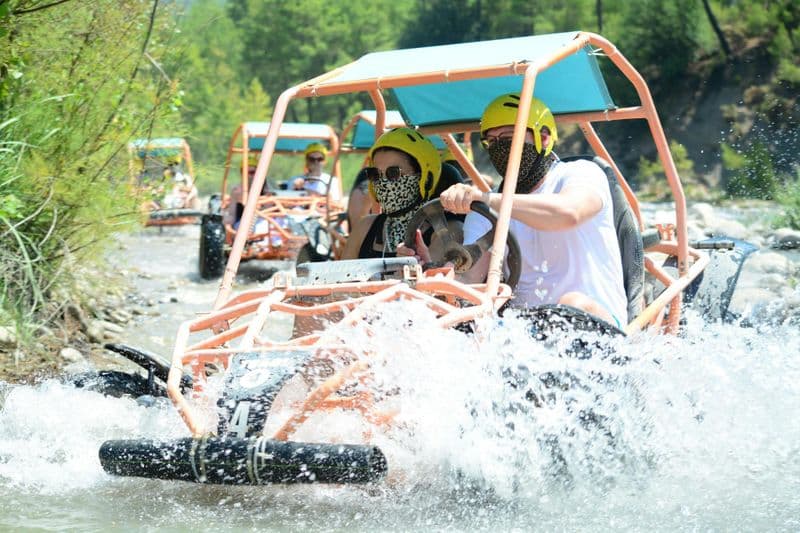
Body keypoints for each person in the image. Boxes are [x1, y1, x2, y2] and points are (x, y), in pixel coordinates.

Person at [432, 93, 627, 326]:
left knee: (572, 303)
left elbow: (569, 213)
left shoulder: (581, 173)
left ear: (543, 138)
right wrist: (438, 275)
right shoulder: (485, 208)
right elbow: (470, 278)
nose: (498, 148)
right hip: (525, 333)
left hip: (597, 322)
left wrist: (489, 199)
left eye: (507, 137)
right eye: (491, 142)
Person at [342, 127, 445, 259]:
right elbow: (339, 278)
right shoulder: (364, 228)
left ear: (424, 178)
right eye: (375, 174)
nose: (383, 183)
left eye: (393, 173)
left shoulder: (442, 233)